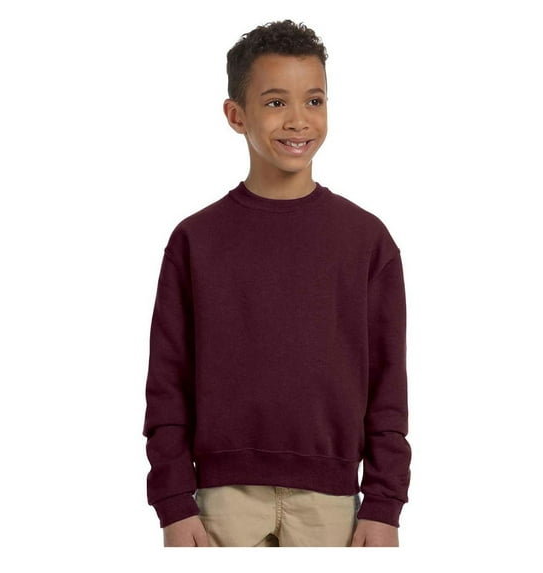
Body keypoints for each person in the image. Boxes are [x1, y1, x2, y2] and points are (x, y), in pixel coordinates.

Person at [142, 19, 412, 547]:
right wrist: (172, 501)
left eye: (314, 100)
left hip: (332, 502)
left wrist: (385, 502)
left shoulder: (367, 240)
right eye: (274, 102)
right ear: (235, 115)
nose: (298, 120)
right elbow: (167, 382)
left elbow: (388, 385)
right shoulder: (195, 240)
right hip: (220, 501)